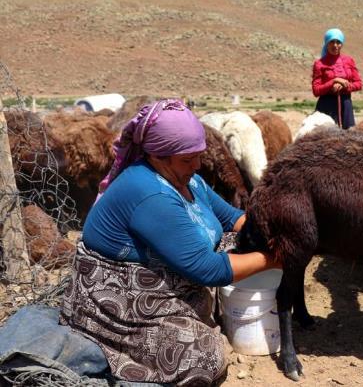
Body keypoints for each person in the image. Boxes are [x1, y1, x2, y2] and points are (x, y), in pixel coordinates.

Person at [60, 99, 281, 386]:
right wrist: (275, 257)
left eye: (198, 156)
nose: (197, 165)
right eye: (187, 159)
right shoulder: (150, 193)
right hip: (122, 299)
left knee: (245, 242)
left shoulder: (189, 180)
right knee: (204, 358)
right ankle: (113, 344)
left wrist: (272, 232)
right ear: (158, 156)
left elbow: (231, 218)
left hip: (167, 273)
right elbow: (208, 270)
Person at [311, 28, 362, 129]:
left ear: (342, 44)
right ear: (327, 43)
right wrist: (333, 81)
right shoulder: (319, 64)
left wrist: (344, 86)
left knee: (349, 137)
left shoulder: (349, 60)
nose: (335, 45)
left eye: (338, 42)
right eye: (332, 42)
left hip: (346, 106)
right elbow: (316, 90)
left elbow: (358, 84)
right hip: (326, 107)